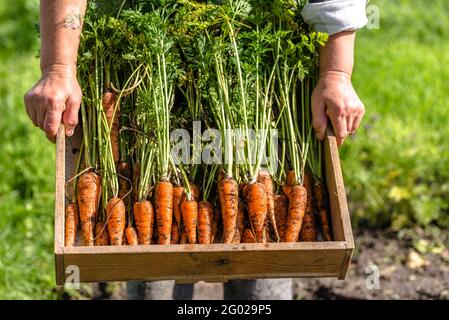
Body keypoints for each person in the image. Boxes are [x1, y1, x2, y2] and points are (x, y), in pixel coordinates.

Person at [24, 0, 366, 300]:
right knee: (152, 265)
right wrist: (59, 66)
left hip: (253, 49)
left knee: (266, 266)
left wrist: (336, 72)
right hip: (148, 42)